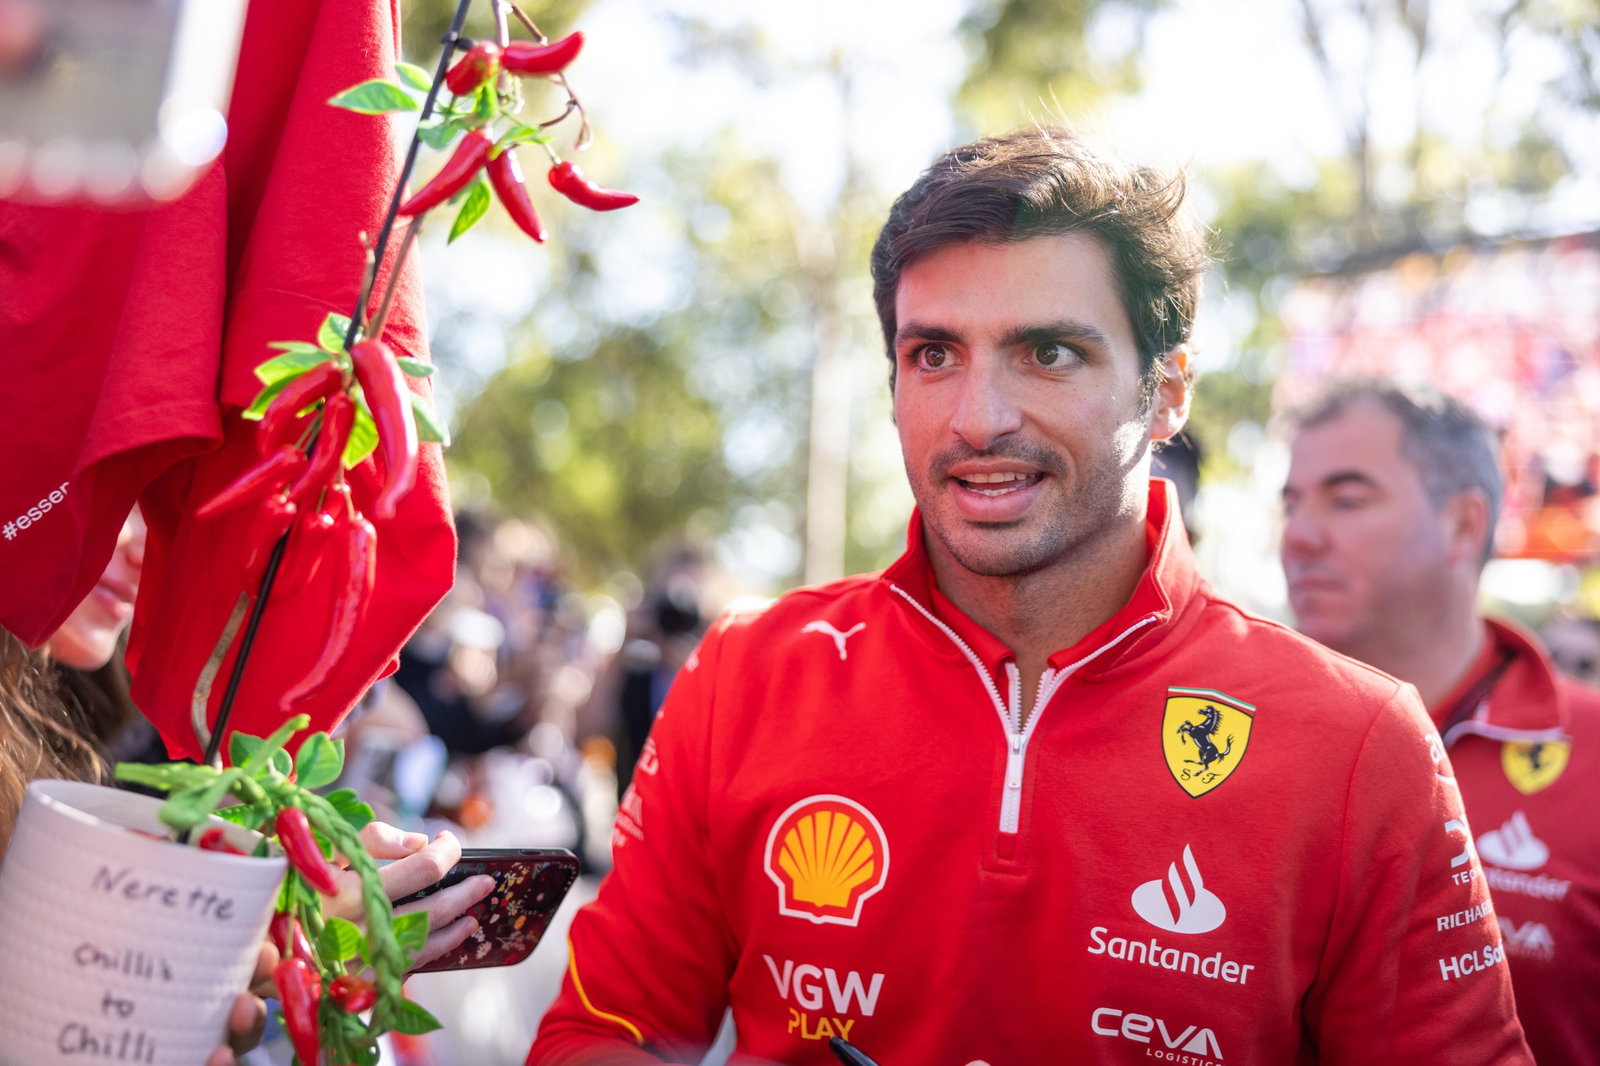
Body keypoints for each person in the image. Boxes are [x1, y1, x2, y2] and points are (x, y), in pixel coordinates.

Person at [527, 127, 1528, 1064]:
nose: (978, 418)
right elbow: (606, 1030)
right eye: (933, 355)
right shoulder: (744, 676)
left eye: (1047, 352)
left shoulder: (1360, 741)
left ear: (1166, 391)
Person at [0, 509, 491, 1066]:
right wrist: (220, 938)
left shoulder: (116, 698)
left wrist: (242, 938)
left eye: (156, 496)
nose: (144, 546)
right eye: (112, 478)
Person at [1279, 377, 1600, 1066]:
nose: (1298, 537)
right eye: (1292, 502)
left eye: (1347, 498)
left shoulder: (1592, 753)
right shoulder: (1232, 735)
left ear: (1464, 525)